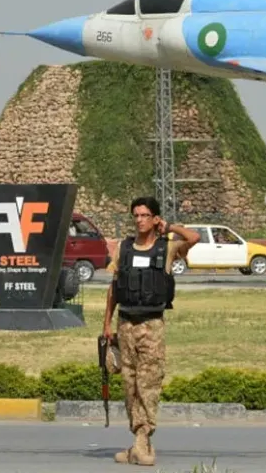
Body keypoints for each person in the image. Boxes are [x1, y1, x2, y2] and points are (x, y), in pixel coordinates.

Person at [102, 196, 200, 466]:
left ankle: (143, 439)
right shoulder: (123, 248)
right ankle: (138, 441)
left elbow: (194, 238)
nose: (139, 220)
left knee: (149, 383)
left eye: (145, 215)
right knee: (130, 384)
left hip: (152, 326)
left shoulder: (165, 248)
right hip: (126, 324)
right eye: (136, 215)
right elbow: (114, 289)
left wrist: (170, 227)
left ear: (155, 218)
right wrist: (107, 325)